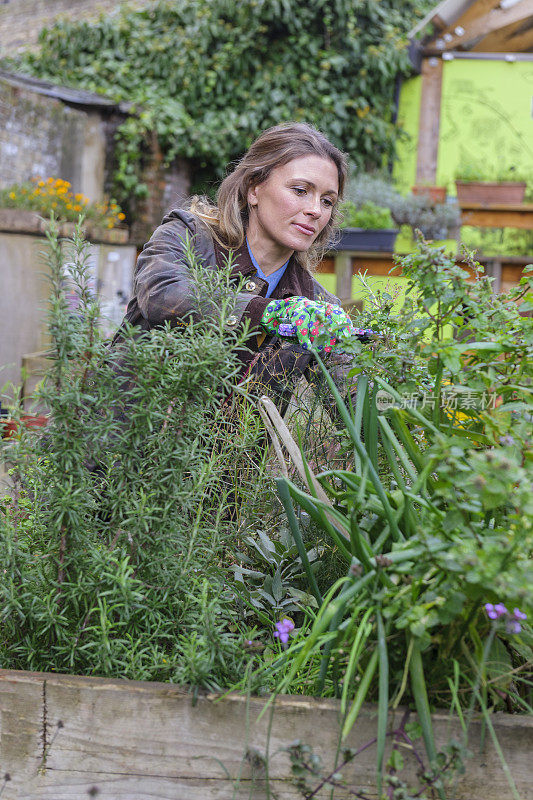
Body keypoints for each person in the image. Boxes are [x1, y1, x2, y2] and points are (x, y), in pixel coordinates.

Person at [114, 122, 360, 416]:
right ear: (254, 189)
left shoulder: (314, 305)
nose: (316, 210)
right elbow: (162, 295)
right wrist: (267, 312)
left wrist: (395, 381)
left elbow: (355, 412)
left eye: (327, 201)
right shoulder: (190, 236)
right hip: (122, 450)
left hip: (225, 462)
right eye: (300, 190)